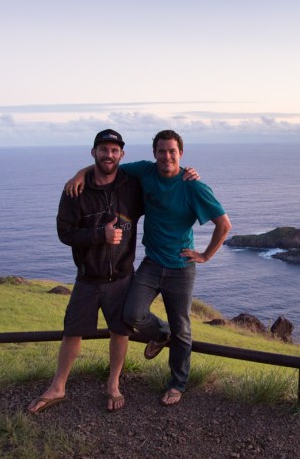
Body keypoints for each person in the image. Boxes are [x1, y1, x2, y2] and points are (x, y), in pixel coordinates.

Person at [66, 130, 231, 406]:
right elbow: (107, 165)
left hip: (181, 267)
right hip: (152, 262)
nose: (167, 156)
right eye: (162, 151)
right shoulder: (145, 171)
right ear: (154, 153)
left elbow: (224, 224)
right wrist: (80, 175)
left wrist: (205, 255)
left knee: (183, 328)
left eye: (172, 151)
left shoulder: (194, 186)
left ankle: (177, 384)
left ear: (181, 153)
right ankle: (160, 333)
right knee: (131, 314)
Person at [28, 128, 143, 414]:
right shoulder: (75, 191)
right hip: (87, 277)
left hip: (122, 276)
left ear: (122, 155)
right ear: (93, 153)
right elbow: (64, 233)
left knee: (120, 331)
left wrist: (189, 176)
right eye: (103, 149)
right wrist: (98, 235)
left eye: (114, 150)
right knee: (72, 332)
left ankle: (113, 383)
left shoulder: (132, 186)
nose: (109, 155)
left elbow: (165, 184)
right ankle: (58, 386)